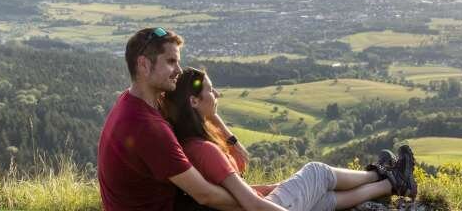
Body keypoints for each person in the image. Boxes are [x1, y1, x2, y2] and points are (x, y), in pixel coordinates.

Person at [163, 67, 418, 211]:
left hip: (249, 205)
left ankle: (391, 185)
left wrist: (214, 117)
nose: (217, 93)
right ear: (194, 101)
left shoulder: (190, 142)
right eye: (210, 90)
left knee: (323, 199)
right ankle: (380, 174)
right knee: (317, 172)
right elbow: (250, 202)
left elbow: (242, 161)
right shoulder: (205, 150)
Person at [98, 27, 244, 211]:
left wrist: (213, 116)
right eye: (171, 61)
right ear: (143, 65)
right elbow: (205, 194)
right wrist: (254, 202)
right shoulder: (147, 126)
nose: (179, 70)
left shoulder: (132, 101)